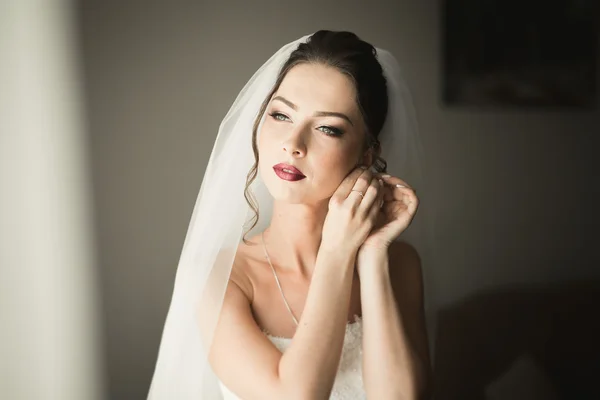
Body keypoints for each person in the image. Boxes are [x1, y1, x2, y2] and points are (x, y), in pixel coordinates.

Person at [148, 30, 435, 400]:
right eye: (281, 115)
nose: (293, 144)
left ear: (367, 154)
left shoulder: (399, 264)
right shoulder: (220, 277)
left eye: (327, 128)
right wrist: (335, 250)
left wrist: (371, 255)